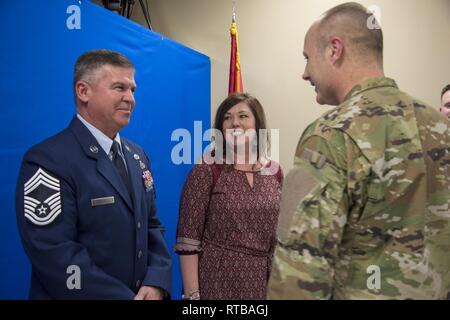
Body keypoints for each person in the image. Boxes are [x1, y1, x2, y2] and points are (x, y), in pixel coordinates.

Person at [268, 2, 450, 299]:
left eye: (307, 58)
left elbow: (298, 275)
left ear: (334, 49)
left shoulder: (328, 135)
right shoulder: (441, 129)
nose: (304, 73)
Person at [15, 49, 172, 299]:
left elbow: (152, 226)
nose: (130, 98)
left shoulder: (137, 156)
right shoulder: (47, 160)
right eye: (119, 87)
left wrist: (156, 281)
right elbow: (54, 253)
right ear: (83, 91)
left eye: (132, 89)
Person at [174, 93, 283, 300]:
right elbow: (188, 239)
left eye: (243, 116)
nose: (234, 123)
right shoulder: (207, 169)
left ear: (257, 124)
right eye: (227, 117)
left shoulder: (275, 171)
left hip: (265, 282)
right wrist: (192, 296)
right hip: (217, 281)